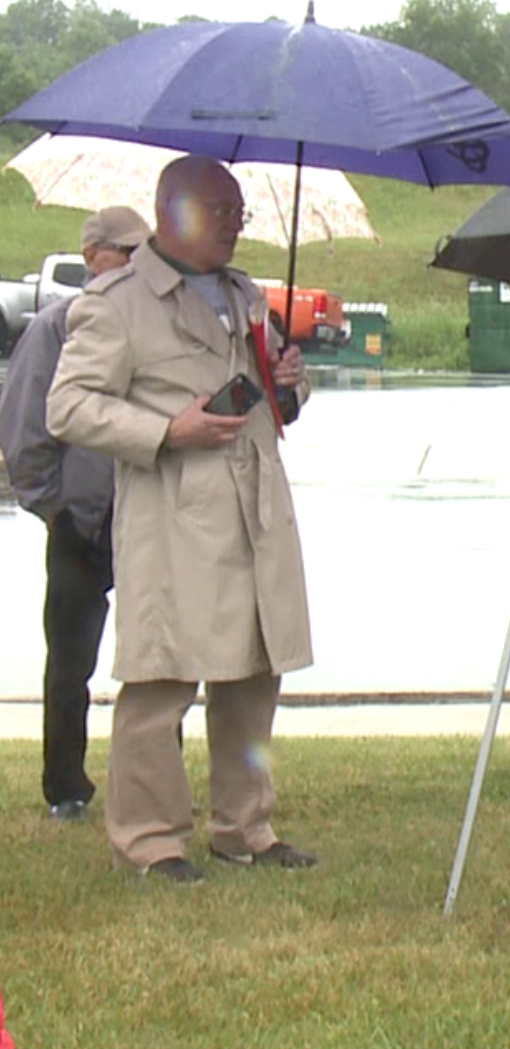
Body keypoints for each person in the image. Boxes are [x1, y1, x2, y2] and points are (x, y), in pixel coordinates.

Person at [45, 155, 316, 884]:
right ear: (172, 213)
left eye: (240, 215)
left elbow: (265, 402)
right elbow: (68, 406)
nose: (236, 227)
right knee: (162, 681)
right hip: (175, 519)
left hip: (255, 514)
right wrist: (168, 429)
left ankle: (245, 827)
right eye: (222, 213)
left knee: (254, 676)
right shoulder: (117, 302)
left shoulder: (247, 294)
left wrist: (287, 384)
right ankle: (151, 839)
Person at [0, 206, 149, 823]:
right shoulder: (56, 328)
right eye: (128, 251)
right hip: (79, 524)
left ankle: (149, 783)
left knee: (155, 661)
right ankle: (65, 785)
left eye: (147, 253)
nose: (139, 264)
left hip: (145, 520)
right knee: (70, 661)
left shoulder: (149, 326)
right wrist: (53, 506)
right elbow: (24, 422)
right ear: (94, 256)